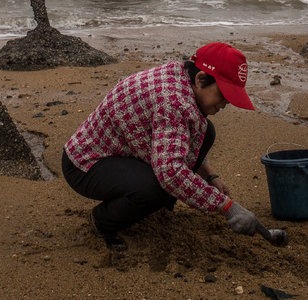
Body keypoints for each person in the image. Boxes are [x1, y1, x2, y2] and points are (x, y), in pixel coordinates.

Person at [62, 41, 265, 250]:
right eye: (223, 95)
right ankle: (103, 221)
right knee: (158, 186)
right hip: (86, 164)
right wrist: (228, 207)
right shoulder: (173, 102)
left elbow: (184, 138)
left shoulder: (183, 80)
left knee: (206, 132)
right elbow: (170, 173)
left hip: (125, 151)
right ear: (200, 79)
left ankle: (155, 203)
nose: (225, 103)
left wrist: (211, 176)